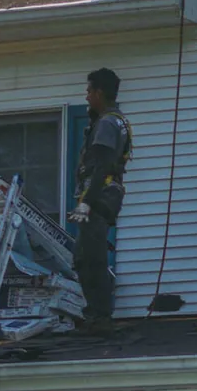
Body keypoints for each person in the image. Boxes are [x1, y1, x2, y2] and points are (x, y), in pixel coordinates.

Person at [69, 67, 131, 330]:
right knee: (87, 255)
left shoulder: (106, 123)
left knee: (89, 257)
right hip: (106, 194)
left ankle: (99, 317)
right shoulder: (115, 120)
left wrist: (86, 201)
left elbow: (103, 164)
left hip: (99, 194)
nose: (86, 97)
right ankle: (97, 314)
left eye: (89, 91)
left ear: (100, 92)